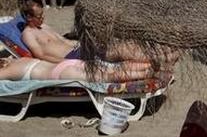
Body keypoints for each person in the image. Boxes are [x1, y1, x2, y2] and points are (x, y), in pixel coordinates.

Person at [20, 1, 178, 64]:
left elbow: (62, 40)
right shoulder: (28, 34)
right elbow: (41, 55)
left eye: (42, 14)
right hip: (73, 57)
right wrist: (70, 63)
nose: (43, 18)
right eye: (39, 16)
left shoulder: (44, 27)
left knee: (123, 43)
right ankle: (161, 58)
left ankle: (162, 52)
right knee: (118, 50)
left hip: (79, 49)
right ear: (28, 17)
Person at [0, 57, 154, 82]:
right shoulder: (17, 59)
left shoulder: (10, 68)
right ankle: (149, 66)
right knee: (114, 68)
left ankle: (148, 72)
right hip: (67, 64)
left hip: (60, 73)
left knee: (110, 76)